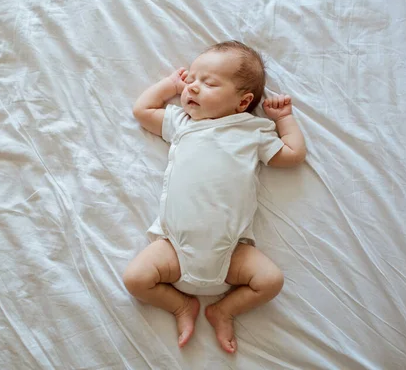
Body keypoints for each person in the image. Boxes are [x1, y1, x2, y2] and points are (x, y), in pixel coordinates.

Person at [123, 40, 306, 354]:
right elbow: (143, 111)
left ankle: (224, 310)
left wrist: (283, 119)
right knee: (135, 280)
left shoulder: (253, 131)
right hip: (174, 248)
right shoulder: (183, 124)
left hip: (231, 253)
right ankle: (181, 306)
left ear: (242, 101)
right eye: (191, 79)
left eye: (208, 83)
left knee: (271, 282)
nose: (192, 87)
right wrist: (169, 85)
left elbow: (292, 154)